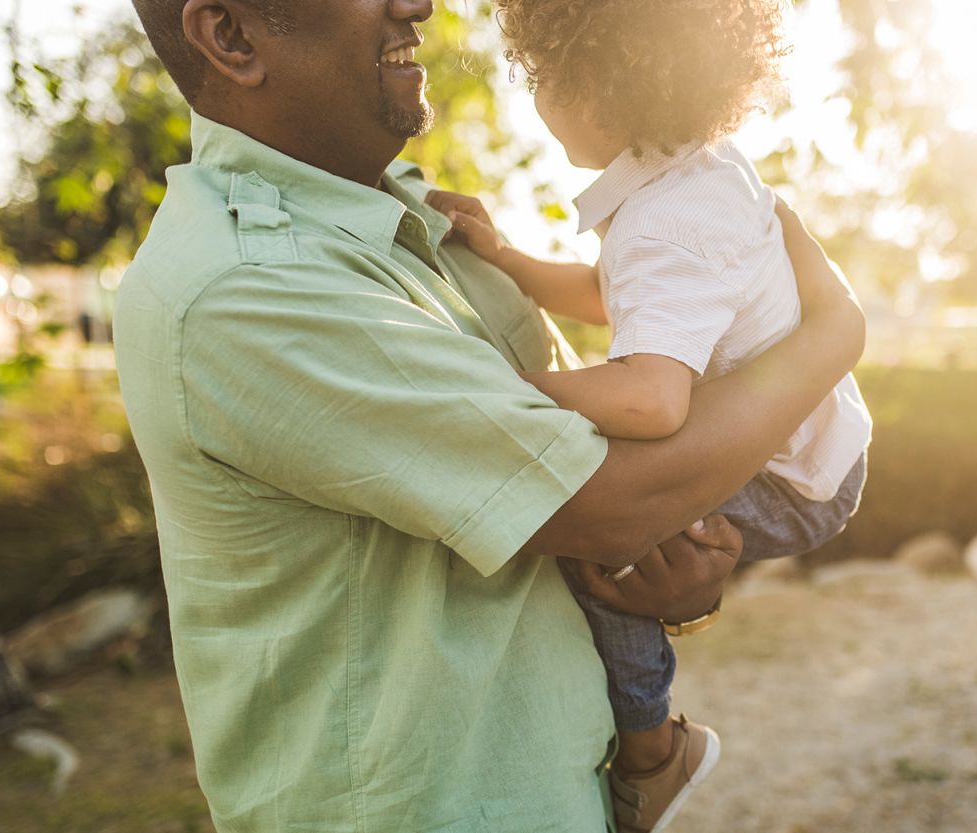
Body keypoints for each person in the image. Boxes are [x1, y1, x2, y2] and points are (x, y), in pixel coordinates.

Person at [114, 1, 865, 832]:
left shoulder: (418, 217)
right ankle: (655, 749)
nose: (418, 5)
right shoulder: (250, 286)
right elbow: (613, 497)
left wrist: (675, 574)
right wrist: (832, 339)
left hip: (551, 790)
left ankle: (650, 746)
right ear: (230, 36)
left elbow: (617, 447)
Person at [425, 1, 872, 830]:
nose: (534, 95)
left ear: (591, 84)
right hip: (823, 444)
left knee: (607, 544)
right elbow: (617, 299)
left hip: (793, 478)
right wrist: (510, 260)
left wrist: (501, 383)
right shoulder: (696, 172)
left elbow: (651, 397)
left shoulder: (666, 223)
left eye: (541, 77)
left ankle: (652, 749)